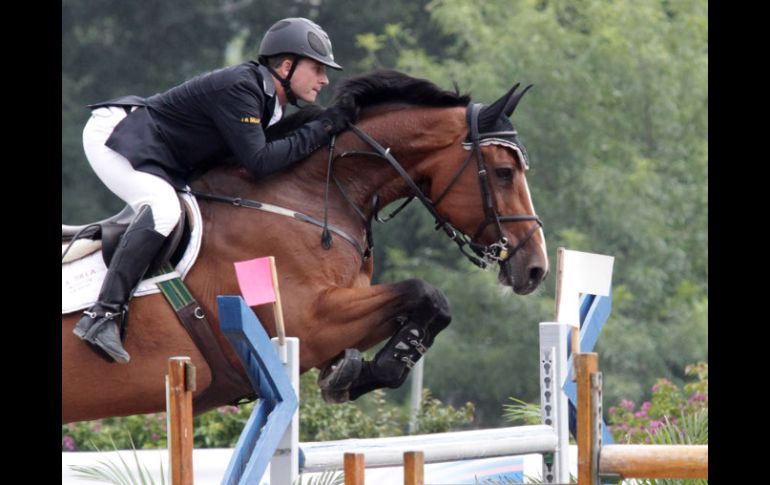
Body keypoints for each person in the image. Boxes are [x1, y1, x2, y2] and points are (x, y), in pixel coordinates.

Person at [73, 17, 356, 364]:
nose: (324, 79)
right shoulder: (243, 87)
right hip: (118, 137)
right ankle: (101, 316)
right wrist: (325, 125)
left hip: (161, 156)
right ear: (287, 65)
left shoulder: (271, 105)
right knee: (163, 209)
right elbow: (261, 162)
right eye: (317, 69)